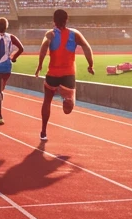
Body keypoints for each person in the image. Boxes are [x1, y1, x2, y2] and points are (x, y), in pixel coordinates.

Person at [35, 8, 94, 141]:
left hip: (52, 74)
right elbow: (86, 47)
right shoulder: (75, 34)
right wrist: (90, 65)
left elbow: (44, 47)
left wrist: (39, 66)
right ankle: (68, 100)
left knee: (47, 101)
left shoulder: (50, 34)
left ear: (54, 21)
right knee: (68, 108)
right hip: (68, 76)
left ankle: (43, 131)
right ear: (67, 20)